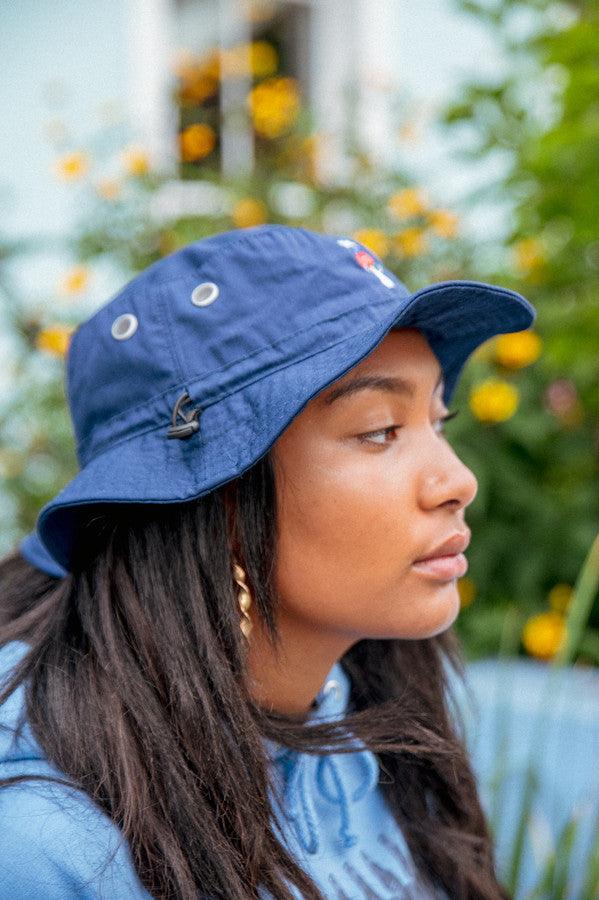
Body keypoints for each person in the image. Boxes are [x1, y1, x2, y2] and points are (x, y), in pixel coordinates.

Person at [0, 224, 536, 899]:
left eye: (437, 420)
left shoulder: (382, 736)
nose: (457, 481)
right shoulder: (48, 854)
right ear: (216, 502)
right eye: (378, 431)